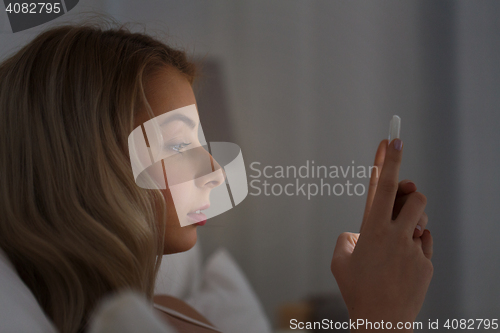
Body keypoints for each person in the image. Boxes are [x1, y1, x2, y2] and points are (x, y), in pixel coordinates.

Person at [0, 22, 433, 333]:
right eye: (176, 146)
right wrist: (383, 316)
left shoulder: (174, 312)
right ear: (82, 163)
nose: (213, 173)